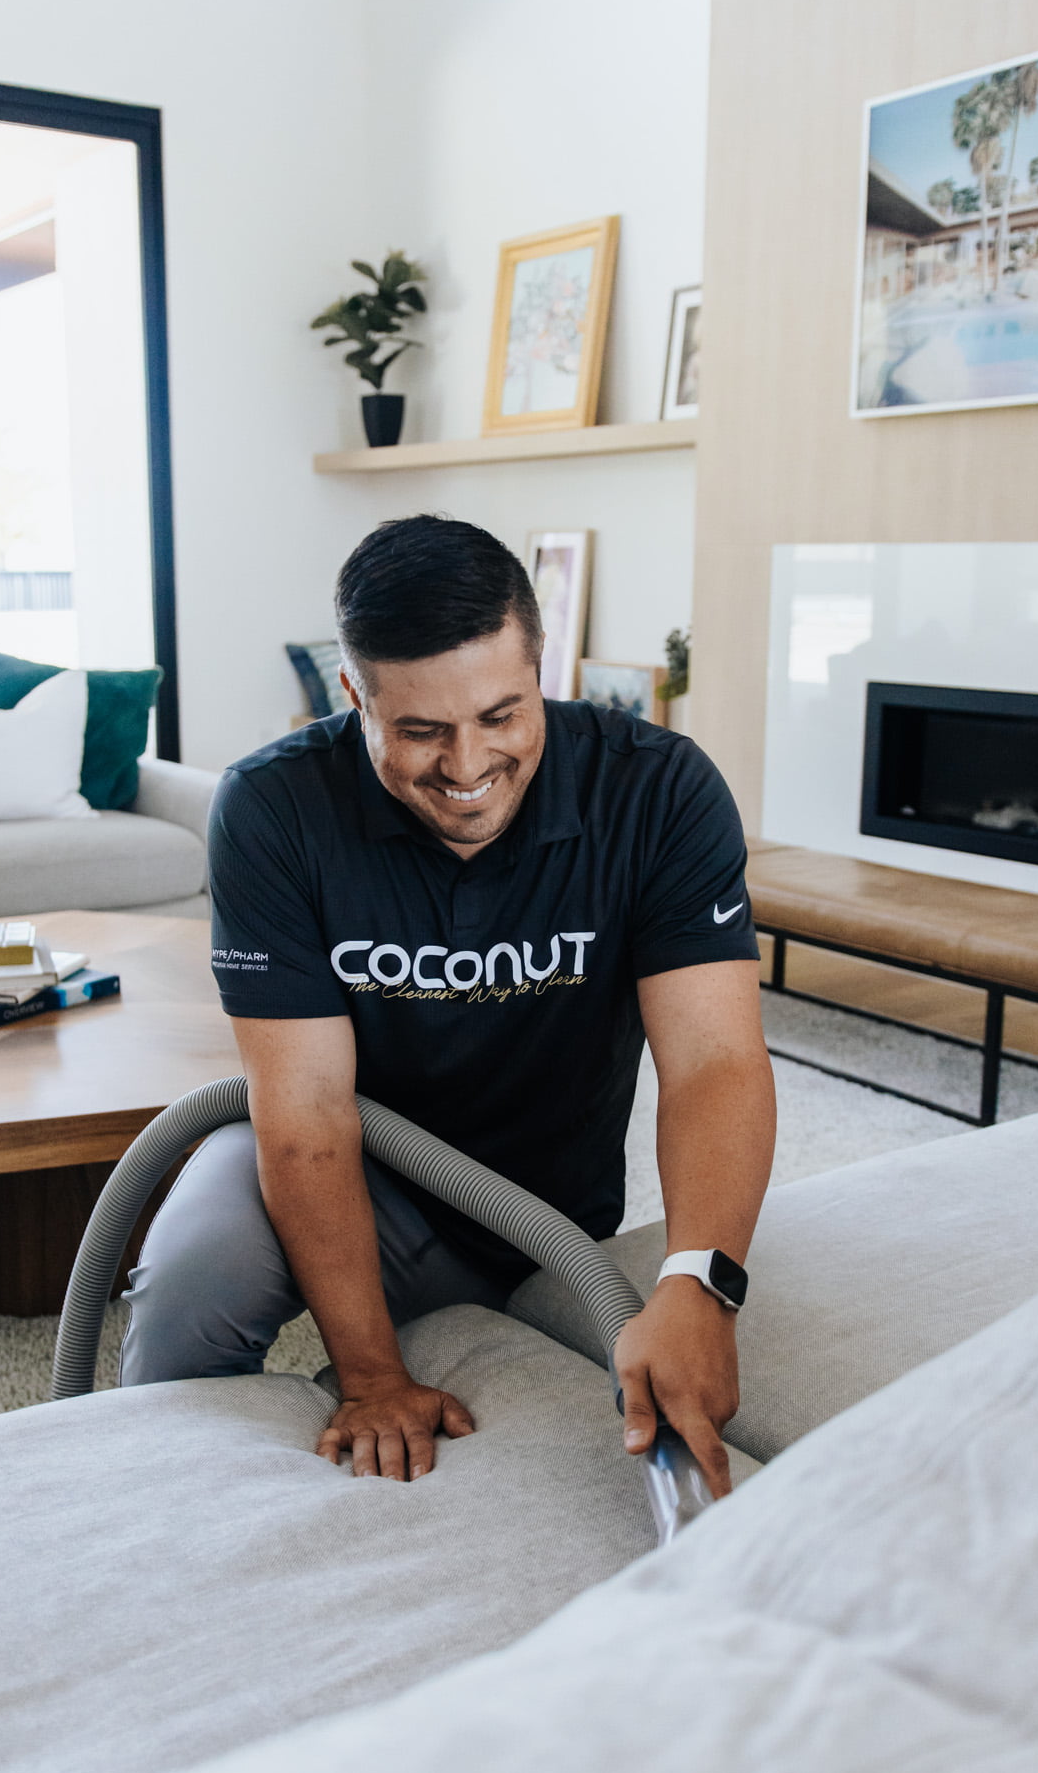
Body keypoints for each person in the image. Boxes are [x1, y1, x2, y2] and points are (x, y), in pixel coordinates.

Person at [120, 516, 776, 1497]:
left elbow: (715, 1059)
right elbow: (301, 1112)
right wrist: (371, 1374)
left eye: (502, 715)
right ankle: (169, 1513)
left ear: (538, 666)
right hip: (351, 1157)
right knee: (188, 1287)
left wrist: (700, 1276)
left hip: (529, 1211)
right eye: (421, 730)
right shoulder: (274, 807)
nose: (468, 767)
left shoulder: (658, 792)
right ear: (355, 696)